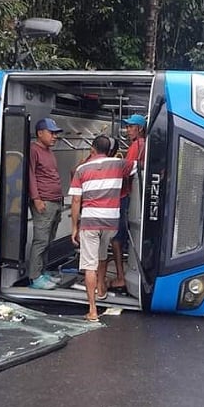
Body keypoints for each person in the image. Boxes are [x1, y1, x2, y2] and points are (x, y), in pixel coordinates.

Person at [69, 135, 134, 321]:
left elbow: (75, 200)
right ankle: (102, 290)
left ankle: (92, 310)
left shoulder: (82, 169)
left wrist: (74, 227)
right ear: (110, 150)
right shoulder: (119, 164)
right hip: (111, 222)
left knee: (89, 265)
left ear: (92, 149)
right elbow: (139, 166)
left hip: (90, 221)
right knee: (102, 255)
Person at [108, 114, 146, 295]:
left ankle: (121, 277)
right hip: (132, 196)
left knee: (117, 238)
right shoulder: (143, 145)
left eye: (131, 127)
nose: (128, 129)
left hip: (124, 196)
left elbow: (127, 171)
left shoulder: (137, 146)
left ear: (139, 128)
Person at [28, 117, 64, 290]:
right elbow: (30, 175)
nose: (54, 137)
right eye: (51, 133)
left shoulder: (48, 151)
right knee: (41, 240)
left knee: (49, 239)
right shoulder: (34, 150)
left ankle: (43, 271)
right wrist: (36, 199)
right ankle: (35, 277)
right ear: (39, 133)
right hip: (44, 202)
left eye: (56, 133)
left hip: (55, 201)